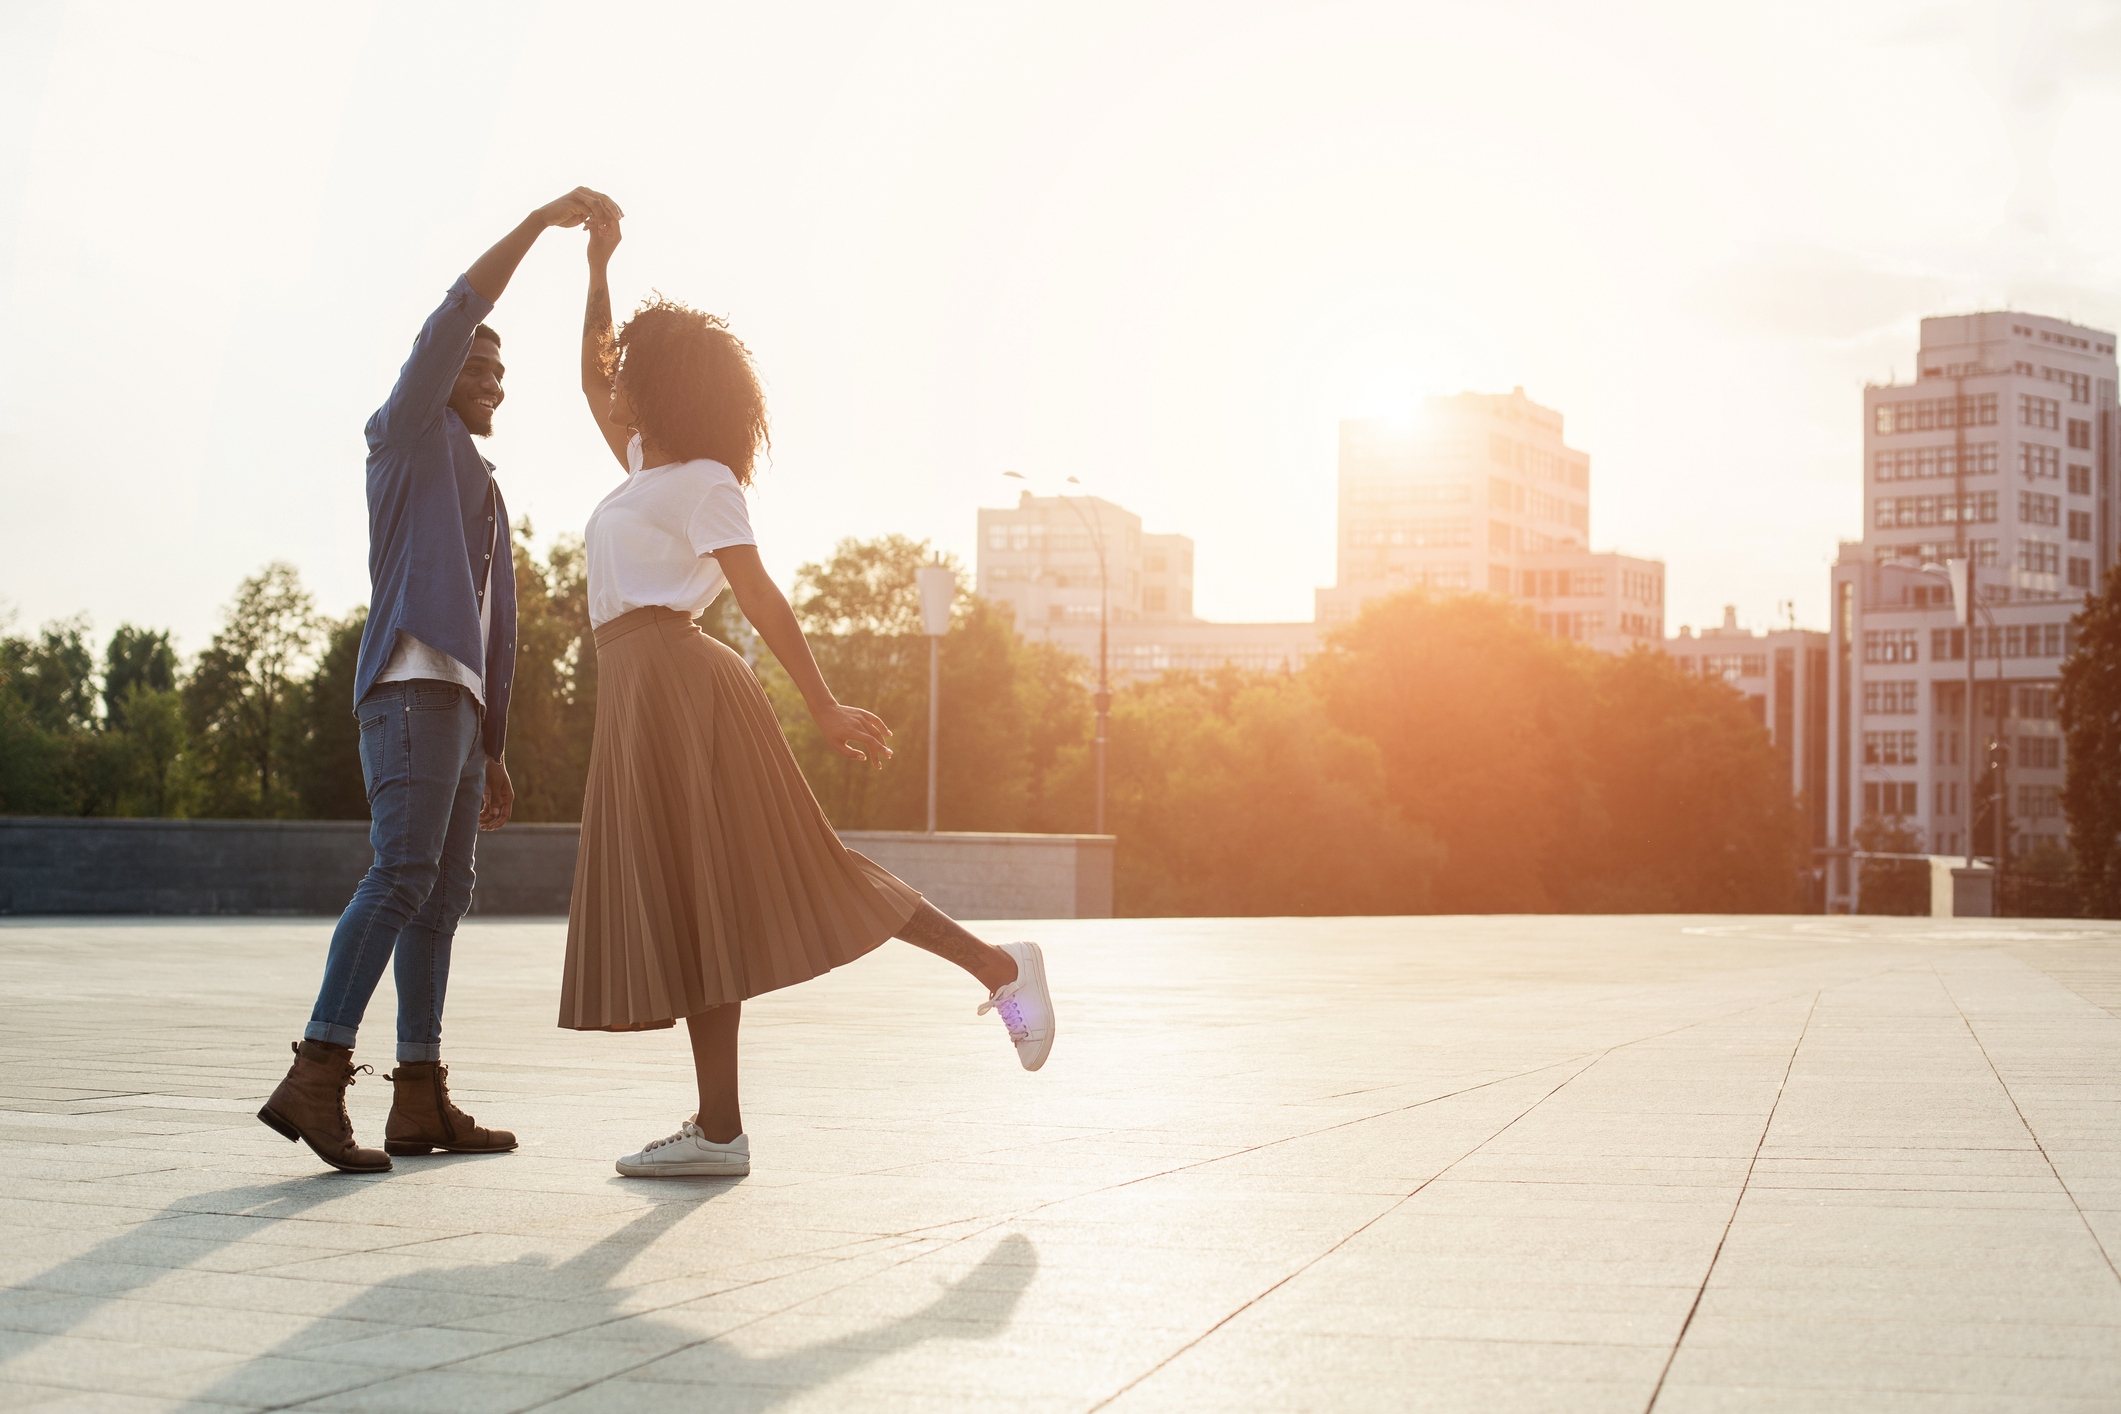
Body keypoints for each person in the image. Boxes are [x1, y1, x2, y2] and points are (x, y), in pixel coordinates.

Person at [558, 210, 1056, 1179]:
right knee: (700, 902)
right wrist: (597, 265)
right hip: (636, 690)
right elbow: (590, 370)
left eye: (634, 368)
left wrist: (824, 707)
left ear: (666, 385)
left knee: (804, 874)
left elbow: (760, 596)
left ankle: (1003, 969)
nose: (616, 379)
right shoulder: (640, 465)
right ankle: (719, 1130)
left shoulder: (703, 481)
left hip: (684, 682)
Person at [258, 188, 623, 1174]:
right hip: (410, 687)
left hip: (459, 708)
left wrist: (496, 744)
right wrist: (544, 226)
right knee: (403, 872)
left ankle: (417, 1094)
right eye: (484, 366)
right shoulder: (408, 433)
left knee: (443, 889)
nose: (497, 384)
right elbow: (460, 305)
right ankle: (318, 1069)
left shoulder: (488, 488)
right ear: (443, 371)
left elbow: (498, 632)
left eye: (506, 373)